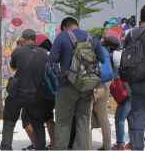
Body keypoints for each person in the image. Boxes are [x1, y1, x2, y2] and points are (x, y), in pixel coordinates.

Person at [49, 17, 104, 150]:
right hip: (87, 85)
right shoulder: (92, 38)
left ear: (64, 27)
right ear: (77, 25)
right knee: (83, 120)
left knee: (63, 122)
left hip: (67, 86)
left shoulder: (62, 37)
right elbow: (102, 58)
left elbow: (52, 58)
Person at [0, 29, 48, 150]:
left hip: (18, 94)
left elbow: (13, 67)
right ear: (35, 39)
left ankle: (6, 147)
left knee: (9, 120)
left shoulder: (18, 51)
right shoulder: (44, 53)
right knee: (38, 122)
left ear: (23, 39)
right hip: (37, 94)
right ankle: (41, 147)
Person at [21, 34, 55, 150]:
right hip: (52, 94)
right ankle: (54, 144)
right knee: (49, 117)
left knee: (26, 118)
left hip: (38, 94)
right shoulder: (53, 56)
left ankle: (37, 144)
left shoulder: (37, 56)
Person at [103, 36, 132, 150]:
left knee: (119, 117)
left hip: (122, 90)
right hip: (133, 88)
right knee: (131, 117)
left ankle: (120, 144)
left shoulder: (112, 55)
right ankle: (133, 141)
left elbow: (108, 73)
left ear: (109, 46)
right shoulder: (126, 52)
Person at [123, 5, 145, 150]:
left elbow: (125, 56)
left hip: (136, 81)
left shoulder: (131, 34)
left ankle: (137, 146)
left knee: (137, 114)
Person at [89, 37, 115, 150]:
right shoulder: (104, 50)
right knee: (103, 117)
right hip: (104, 87)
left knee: (87, 119)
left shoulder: (87, 50)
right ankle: (107, 146)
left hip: (90, 87)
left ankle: (88, 147)